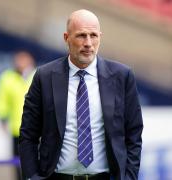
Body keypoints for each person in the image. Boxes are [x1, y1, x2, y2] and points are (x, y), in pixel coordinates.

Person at [19, 9, 143, 180]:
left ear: (100, 37)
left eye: (93, 35)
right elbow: (28, 135)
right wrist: (32, 177)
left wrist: (129, 177)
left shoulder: (122, 76)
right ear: (66, 38)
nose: (88, 43)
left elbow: (134, 134)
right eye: (81, 35)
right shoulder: (44, 77)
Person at [0, 50, 35, 180]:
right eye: (18, 61)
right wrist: (3, 118)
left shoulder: (37, 76)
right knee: (18, 163)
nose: (20, 64)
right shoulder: (8, 78)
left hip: (36, 130)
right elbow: (1, 99)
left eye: (23, 61)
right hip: (16, 130)